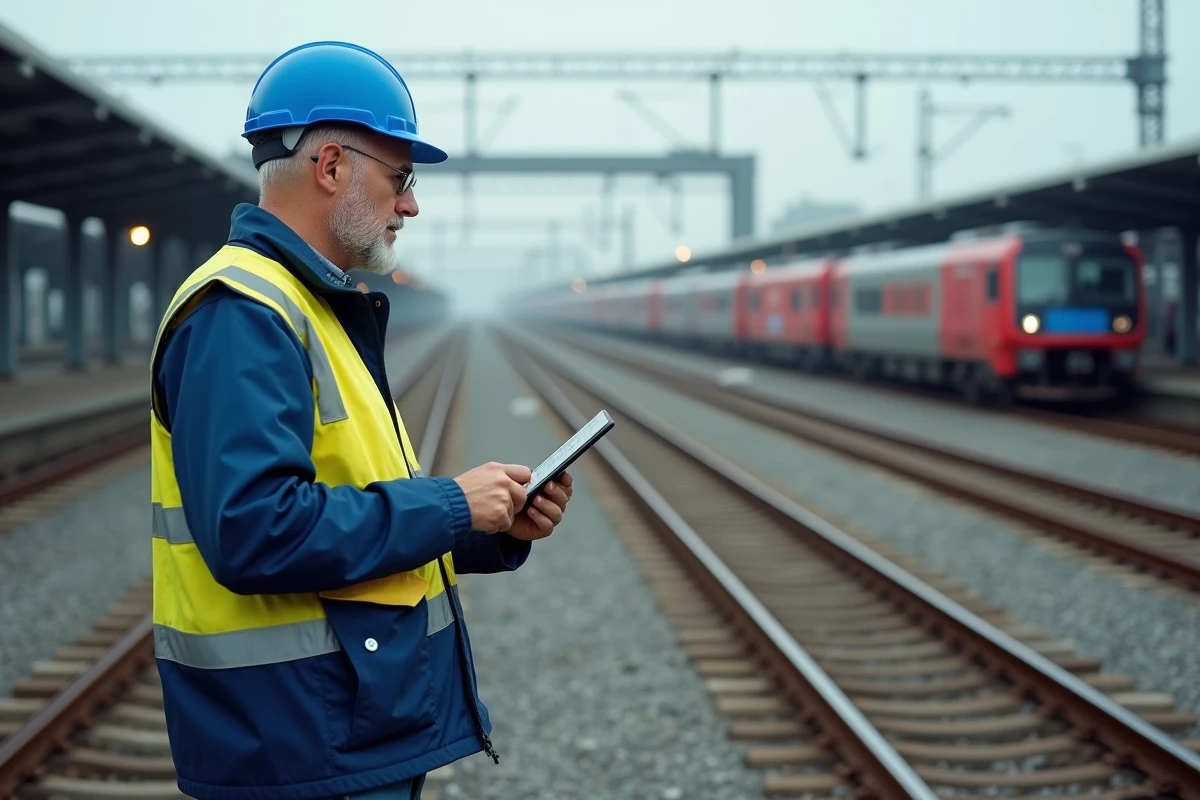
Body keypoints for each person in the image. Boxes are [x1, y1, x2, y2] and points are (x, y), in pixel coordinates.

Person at [148, 40, 573, 800]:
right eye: (401, 178)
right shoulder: (243, 314)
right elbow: (256, 531)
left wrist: (491, 525)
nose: (411, 204)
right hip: (295, 740)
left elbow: (350, 507)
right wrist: (449, 503)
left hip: (336, 728)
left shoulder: (313, 307)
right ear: (332, 167)